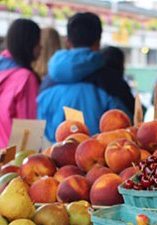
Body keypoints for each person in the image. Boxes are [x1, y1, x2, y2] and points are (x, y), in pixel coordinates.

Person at [37, 12, 133, 141]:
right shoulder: (111, 81)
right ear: (98, 41)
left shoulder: (47, 82)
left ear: (68, 42)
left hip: (54, 157)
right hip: (103, 157)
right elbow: (128, 126)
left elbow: (42, 128)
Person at [0, 19, 41, 156]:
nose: (41, 47)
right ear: (29, 44)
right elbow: (28, 132)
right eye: (38, 42)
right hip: (14, 156)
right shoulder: (25, 78)